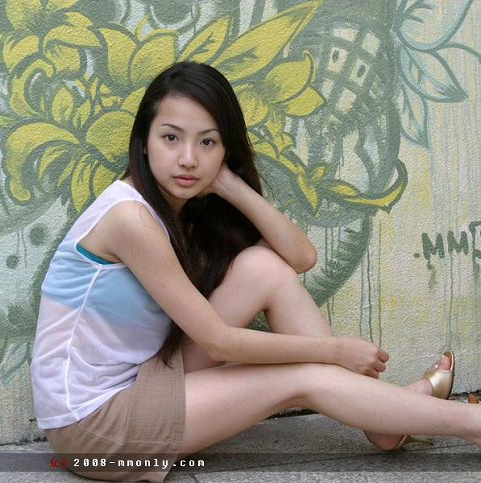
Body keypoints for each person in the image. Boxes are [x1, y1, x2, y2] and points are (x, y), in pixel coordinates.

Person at [29, 61, 480, 482]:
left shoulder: (177, 207)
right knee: (303, 375)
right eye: (171, 138)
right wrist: (334, 350)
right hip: (91, 429)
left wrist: (227, 183)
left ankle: (384, 420)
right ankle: (471, 422)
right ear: (143, 141)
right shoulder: (130, 218)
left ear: (226, 149)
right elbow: (218, 343)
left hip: (144, 381)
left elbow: (300, 258)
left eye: (207, 142)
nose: (188, 158)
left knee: (263, 267)